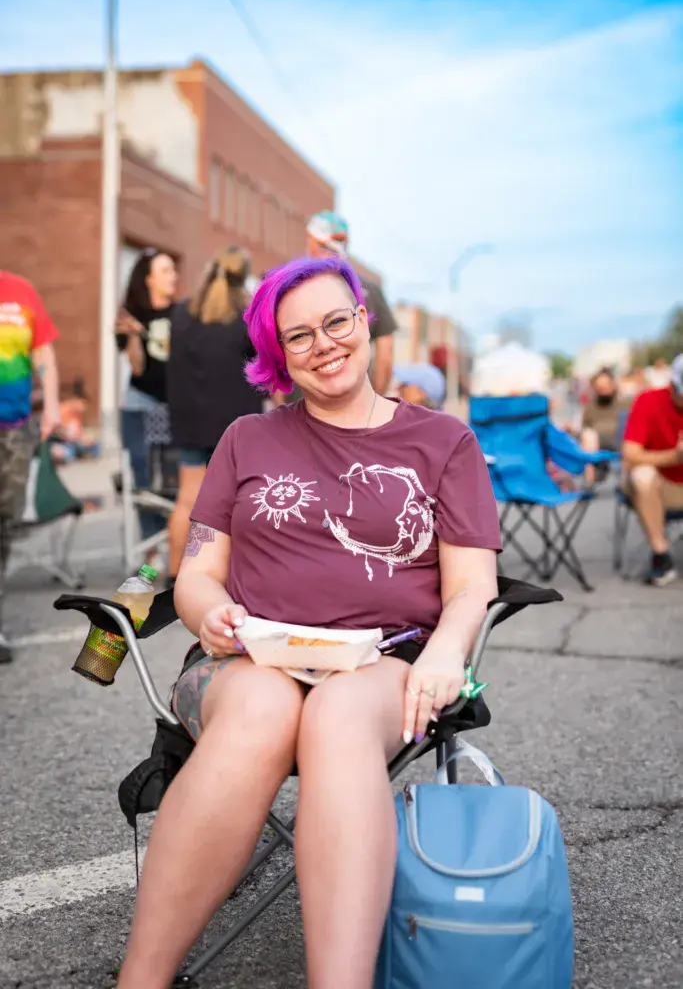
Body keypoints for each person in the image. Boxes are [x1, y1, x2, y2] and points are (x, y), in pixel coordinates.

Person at [116, 256, 501, 989]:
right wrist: (210, 612)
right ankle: (140, 979)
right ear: (278, 356)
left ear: (363, 320)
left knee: (336, 715)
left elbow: (470, 585)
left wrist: (447, 651)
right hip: (245, 660)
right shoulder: (245, 439)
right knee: (263, 710)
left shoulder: (443, 442)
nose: (324, 344)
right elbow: (196, 571)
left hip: (384, 663)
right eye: (299, 336)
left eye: (335, 322)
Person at [166, 247, 264, 586]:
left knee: (187, 500)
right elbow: (261, 367)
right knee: (236, 504)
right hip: (236, 427)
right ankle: (228, 576)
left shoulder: (182, 312)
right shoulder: (248, 317)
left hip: (190, 423)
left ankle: (175, 576)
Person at [0, 270, 60, 663]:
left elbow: (43, 353)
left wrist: (51, 405)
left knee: (5, 518)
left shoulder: (20, 290)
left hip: (14, 428)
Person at [116, 249, 178, 559]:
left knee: (173, 480)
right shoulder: (131, 315)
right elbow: (138, 368)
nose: (173, 276)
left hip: (176, 406)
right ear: (148, 279)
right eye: (165, 270)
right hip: (141, 403)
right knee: (142, 480)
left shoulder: (183, 314)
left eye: (173, 270)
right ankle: (150, 554)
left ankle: (177, 551)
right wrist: (133, 336)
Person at [306, 209, 397, 394]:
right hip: (356, 399)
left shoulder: (293, 289)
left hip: (304, 399)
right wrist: (377, 400)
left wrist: (279, 402)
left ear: (315, 241)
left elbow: (272, 349)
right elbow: (385, 355)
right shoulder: (371, 290)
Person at [622, 353, 683, 586]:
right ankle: (661, 556)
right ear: (673, 386)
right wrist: (675, 457)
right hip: (662, 486)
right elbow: (630, 454)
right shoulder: (648, 400)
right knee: (642, 474)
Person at [580, 367, 626, 484]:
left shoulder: (626, 403)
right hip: (597, 444)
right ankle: (589, 482)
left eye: (606, 384)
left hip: (622, 441)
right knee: (588, 436)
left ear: (613, 385)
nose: (603, 388)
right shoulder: (590, 407)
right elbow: (584, 429)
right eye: (600, 386)